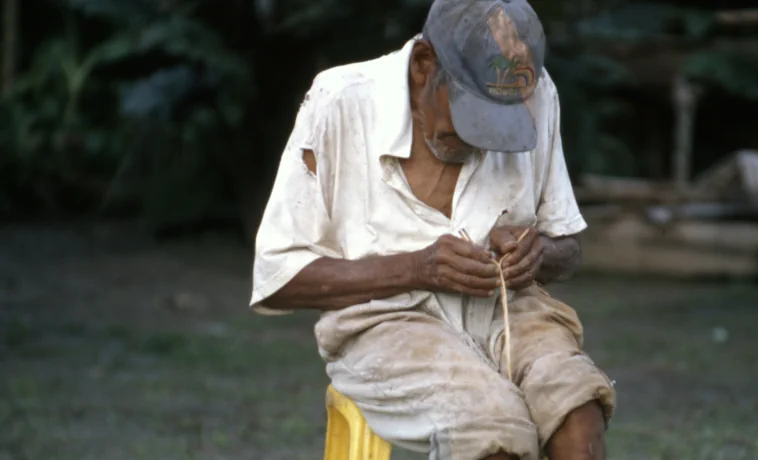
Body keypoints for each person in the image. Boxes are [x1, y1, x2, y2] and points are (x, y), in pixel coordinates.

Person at [249, 0, 616, 458]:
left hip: (508, 310)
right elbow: (278, 280)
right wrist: (417, 268)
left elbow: (568, 247)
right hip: (386, 323)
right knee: (492, 430)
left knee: (578, 411)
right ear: (424, 65)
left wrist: (537, 252)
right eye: (471, 115)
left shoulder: (532, 92)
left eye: (498, 124)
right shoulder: (341, 98)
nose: (482, 137)